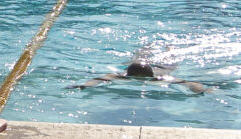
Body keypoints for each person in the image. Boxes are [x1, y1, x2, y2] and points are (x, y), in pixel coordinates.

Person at [69, 56, 208, 94]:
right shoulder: (120, 76)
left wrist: (201, 89)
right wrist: (83, 85)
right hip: (146, 69)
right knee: (138, 58)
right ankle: (144, 52)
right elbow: (99, 79)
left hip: (163, 68)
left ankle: (169, 49)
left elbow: (187, 83)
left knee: (170, 61)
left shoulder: (159, 77)